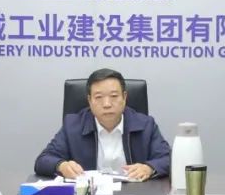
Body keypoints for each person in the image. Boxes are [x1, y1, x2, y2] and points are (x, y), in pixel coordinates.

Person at [34, 68, 170, 181]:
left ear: (124, 97)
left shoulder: (145, 125)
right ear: (89, 100)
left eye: (114, 96)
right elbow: (43, 160)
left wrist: (149, 168)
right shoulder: (73, 126)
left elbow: (168, 158)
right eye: (99, 97)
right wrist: (62, 166)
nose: (107, 104)